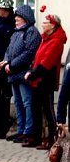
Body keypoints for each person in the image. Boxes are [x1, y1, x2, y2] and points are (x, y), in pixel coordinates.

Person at [0, 4, 41, 146]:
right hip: (13, 73)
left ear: (25, 18)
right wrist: (6, 62)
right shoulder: (16, 32)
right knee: (18, 103)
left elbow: (29, 52)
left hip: (23, 73)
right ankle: (21, 130)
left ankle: (29, 131)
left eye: (18, 17)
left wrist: (13, 64)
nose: (16, 19)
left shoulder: (31, 32)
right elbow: (9, 50)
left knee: (27, 103)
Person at [25, 11, 66, 150]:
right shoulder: (46, 39)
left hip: (46, 80)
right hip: (38, 79)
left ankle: (52, 139)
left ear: (52, 25)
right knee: (36, 109)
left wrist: (32, 74)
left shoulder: (56, 41)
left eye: (45, 22)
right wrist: (32, 71)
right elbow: (38, 59)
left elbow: (46, 63)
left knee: (48, 111)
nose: (42, 25)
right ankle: (37, 137)